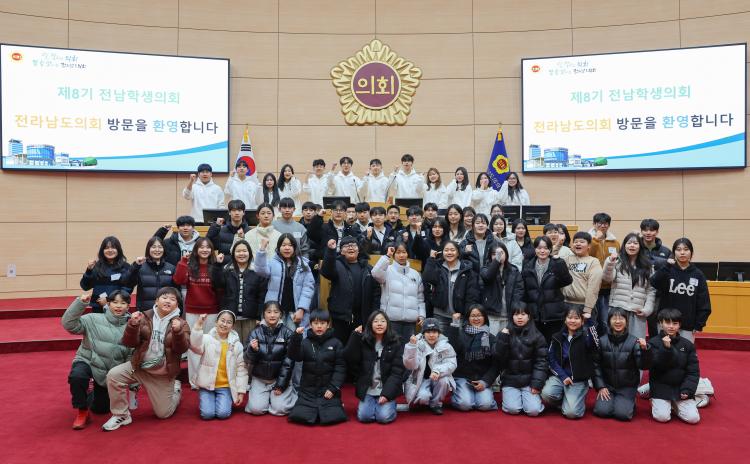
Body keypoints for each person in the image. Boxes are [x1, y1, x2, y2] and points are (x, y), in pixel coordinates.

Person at [103, 287, 190, 431]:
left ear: (177, 305)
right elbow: (130, 343)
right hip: (139, 367)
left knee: (163, 414)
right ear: (156, 301)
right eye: (164, 297)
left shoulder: (181, 324)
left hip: (162, 374)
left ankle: (176, 390)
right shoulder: (143, 317)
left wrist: (178, 332)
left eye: (172, 299)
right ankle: (121, 415)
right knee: (114, 375)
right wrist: (132, 325)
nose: (168, 301)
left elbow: (182, 349)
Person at [63, 290, 132, 429]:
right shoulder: (93, 319)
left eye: (123, 303)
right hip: (87, 359)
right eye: (115, 302)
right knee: (77, 376)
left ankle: (91, 391)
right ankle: (82, 411)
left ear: (128, 306)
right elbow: (69, 325)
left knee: (101, 409)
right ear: (108, 304)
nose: (119, 306)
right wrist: (80, 303)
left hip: (108, 371)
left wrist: (131, 382)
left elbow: (131, 354)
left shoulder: (131, 327)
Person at [173, 237, 221, 386]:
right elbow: (178, 280)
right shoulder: (189, 266)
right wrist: (183, 261)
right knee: (194, 346)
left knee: (211, 346)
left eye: (208, 247)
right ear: (196, 250)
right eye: (201, 247)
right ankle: (194, 380)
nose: (204, 250)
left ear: (211, 250)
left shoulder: (215, 267)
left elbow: (221, 289)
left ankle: (209, 379)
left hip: (212, 312)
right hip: (192, 312)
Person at [344, 311, 405, 424]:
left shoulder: (395, 342)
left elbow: (397, 372)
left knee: (383, 417)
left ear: (387, 324)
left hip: (386, 388)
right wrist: (354, 336)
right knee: (364, 417)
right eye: (375, 321)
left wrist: (387, 395)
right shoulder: (364, 341)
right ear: (370, 324)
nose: (379, 324)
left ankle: (390, 404)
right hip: (369, 389)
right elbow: (349, 358)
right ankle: (377, 406)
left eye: (382, 321)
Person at [288, 309, 347, 425]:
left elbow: (341, 367)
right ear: (310, 325)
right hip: (308, 392)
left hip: (328, 391)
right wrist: (296, 338)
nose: (319, 326)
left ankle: (337, 404)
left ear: (328, 325)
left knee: (334, 417)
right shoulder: (305, 342)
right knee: (299, 416)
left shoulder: (336, 343)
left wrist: (333, 388)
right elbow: (295, 356)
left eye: (322, 323)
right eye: (315, 323)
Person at [592, 308, 652, 421]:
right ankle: (616, 402)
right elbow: (596, 366)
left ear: (626, 322)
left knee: (622, 415)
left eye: (621, 318)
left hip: (627, 387)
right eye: (614, 318)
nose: (618, 321)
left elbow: (643, 366)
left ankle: (629, 401)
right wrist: (601, 386)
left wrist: (645, 350)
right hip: (608, 386)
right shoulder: (602, 341)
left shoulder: (634, 342)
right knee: (602, 411)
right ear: (609, 321)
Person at [320, 236, 381, 345]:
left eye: (353, 245)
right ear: (341, 251)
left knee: (360, 347)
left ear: (359, 249)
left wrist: (374, 314)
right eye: (346, 246)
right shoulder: (336, 264)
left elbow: (376, 293)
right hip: (341, 317)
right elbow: (326, 271)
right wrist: (330, 250)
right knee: (340, 347)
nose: (350, 247)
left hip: (363, 318)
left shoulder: (368, 268)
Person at [541, 307, 599, 419]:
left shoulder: (586, 337)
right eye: (570, 317)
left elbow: (596, 344)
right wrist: (563, 376)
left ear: (582, 321)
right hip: (561, 376)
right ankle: (566, 401)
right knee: (546, 394)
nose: (572, 321)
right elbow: (551, 359)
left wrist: (590, 322)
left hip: (578, 379)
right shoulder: (557, 337)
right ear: (565, 320)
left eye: (576, 318)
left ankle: (573, 402)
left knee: (572, 414)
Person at [189, 310, 248, 420]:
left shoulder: (237, 345)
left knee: (223, 414)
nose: (224, 324)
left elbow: (241, 369)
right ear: (216, 322)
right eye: (222, 320)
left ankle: (223, 399)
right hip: (207, 385)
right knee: (207, 414)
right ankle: (208, 399)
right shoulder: (206, 339)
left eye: (229, 322)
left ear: (232, 326)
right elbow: (194, 346)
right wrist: (198, 324)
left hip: (225, 386)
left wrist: (240, 392)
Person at [650, 238, 711, 342]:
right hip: (666, 323)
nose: (682, 252)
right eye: (678, 249)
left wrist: (699, 324)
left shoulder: (698, 275)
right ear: (674, 253)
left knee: (684, 351)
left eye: (686, 249)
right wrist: (667, 266)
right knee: (663, 350)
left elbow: (704, 302)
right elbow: (653, 282)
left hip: (687, 325)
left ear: (691, 253)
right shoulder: (667, 269)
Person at [245, 301, 297, 416]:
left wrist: (281, 384)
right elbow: (247, 359)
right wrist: (253, 350)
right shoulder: (255, 332)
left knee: (280, 409)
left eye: (276, 312)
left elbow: (289, 362)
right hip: (260, 379)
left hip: (279, 379)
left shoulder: (288, 333)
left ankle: (288, 393)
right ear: (263, 314)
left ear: (281, 314)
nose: (272, 315)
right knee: (256, 409)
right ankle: (266, 398)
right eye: (269, 312)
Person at [649, 308, 700, 424]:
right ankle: (650, 393)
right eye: (667, 323)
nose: (671, 326)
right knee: (662, 417)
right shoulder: (653, 343)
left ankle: (675, 404)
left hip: (680, 387)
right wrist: (666, 349)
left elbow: (693, 371)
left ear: (679, 325)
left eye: (675, 323)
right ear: (661, 323)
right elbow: (656, 366)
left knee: (693, 418)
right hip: (661, 387)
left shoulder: (688, 345)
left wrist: (687, 389)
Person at [255, 234, 316, 330]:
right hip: (275, 311)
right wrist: (262, 249)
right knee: (273, 336)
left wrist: (302, 309)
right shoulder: (273, 263)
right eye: (283, 245)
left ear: (295, 247)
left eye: (290, 245)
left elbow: (308, 289)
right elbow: (260, 270)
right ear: (279, 247)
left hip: (295, 311)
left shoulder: (303, 265)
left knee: (293, 336)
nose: (287, 248)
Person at [495, 306, 547, 416]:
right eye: (516, 314)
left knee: (533, 411)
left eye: (523, 314)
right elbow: (498, 358)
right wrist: (503, 338)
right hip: (510, 381)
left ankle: (528, 400)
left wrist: (536, 384)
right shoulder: (504, 333)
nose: (519, 317)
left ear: (529, 317)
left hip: (529, 382)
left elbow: (541, 361)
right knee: (513, 409)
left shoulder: (537, 336)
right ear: (511, 317)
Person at [603, 233, 656, 340]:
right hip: (618, 309)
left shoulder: (648, 266)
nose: (632, 245)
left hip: (637, 312)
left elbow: (651, 290)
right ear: (624, 245)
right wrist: (610, 262)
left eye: (635, 243)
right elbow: (607, 278)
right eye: (629, 243)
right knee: (615, 342)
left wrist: (647, 309)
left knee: (636, 342)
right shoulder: (617, 262)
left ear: (640, 246)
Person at [213, 240, 268, 344]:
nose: (241, 254)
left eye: (244, 251)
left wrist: (259, 316)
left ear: (249, 253)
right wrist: (217, 265)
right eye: (238, 251)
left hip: (250, 317)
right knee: (232, 346)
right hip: (231, 317)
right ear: (233, 254)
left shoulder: (257, 271)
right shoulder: (227, 270)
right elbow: (218, 285)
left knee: (249, 345)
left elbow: (261, 296)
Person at [372, 239, 426, 343]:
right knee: (391, 348)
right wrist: (387, 256)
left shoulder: (415, 274)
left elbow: (420, 298)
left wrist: (421, 314)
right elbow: (375, 273)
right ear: (394, 255)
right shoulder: (387, 270)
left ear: (407, 254)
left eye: (404, 252)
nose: (401, 255)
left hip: (410, 322)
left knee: (409, 349)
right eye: (398, 252)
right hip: (391, 320)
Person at [521, 236, 574, 343]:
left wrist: (560, 264)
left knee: (553, 344)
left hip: (553, 313)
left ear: (550, 249)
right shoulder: (527, 265)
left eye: (546, 248)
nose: (542, 251)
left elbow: (567, 281)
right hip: (534, 314)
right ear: (535, 249)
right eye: (539, 248)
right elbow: (525, 289)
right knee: (536, 344)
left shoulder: (557, 263)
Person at [446, 305, 498, 411]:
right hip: (462, 377)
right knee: (465, 404)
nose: (476, 318)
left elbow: (495, 365)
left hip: (482, 378)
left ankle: (477, 396)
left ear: (485, 317)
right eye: (473, 316)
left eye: (479, 315)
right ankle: (461, 396)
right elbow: (451, 349)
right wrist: (454, 325)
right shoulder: (460, 334)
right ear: (468, 318)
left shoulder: (491, 338)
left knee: (485, 405)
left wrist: (485, 381)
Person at [403, 318, 457, 415]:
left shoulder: (446, 345)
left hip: (438, 377)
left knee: (444, 380)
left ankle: (435, 404)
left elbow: (452, 363)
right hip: (421, 379)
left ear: (439, 333)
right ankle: (424, 400)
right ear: (423, 333)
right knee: (423, 397)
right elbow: (411, 366)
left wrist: (437, 371)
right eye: (428, 332)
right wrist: (411, 347)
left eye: (434, 332)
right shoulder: (417, 343)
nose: (431, 335)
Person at [422, 240, 479, 332]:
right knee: (440, 341)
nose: (449, 253)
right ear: (442, 252)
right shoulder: (438, 267)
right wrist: (431, 259)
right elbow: (427, 277)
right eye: (446, 250)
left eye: (452, 250)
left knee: (459, 341)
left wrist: (464, 313)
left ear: (458, 253)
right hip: (439, 315)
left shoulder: (467, 270)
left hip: (459, 316)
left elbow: (472, 296)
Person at [479, 241, 525, 334]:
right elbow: (488, 277)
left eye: (501, 253)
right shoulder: (485, 269)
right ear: (490, 256)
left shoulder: (514, 270)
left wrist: (514, 311)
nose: (498, 256)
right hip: (492, 315)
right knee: (493, 341)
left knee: (507, 341)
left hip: (509, 316)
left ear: (506, 254)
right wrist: (496, 261)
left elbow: (519, 292)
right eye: (494, 254)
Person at [80, 236, 131, 313]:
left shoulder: (126, 267)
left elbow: (127, 288)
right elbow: (85, 287)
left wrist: (109, 300)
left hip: (118, 308)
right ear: (102, 250)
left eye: (113, 247)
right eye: (106, 248)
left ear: (118, 250)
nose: (110, 250)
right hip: (98, 307)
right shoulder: (97, 266)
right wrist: (89, 270)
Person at [589, 212, 621, 334]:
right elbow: (587, 254)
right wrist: (595, 240)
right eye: (600, 223)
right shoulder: (588, 239)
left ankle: (606, 343)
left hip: (609, 287)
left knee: (606, 320)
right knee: (593, 321)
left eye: (606, 223)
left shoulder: (615, 242)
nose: (603, 226)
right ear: (594, 224)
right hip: (592, 286)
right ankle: (594, 344)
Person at [125, 236, 176, 312]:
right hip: (145, 311)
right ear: (148, 249)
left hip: (166, 311)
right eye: (153, 247)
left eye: (160, 247)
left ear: (164, 249)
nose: (157, 250)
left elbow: (176, 291)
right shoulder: (140, 266)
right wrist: (135, 266)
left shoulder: (171, 268)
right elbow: (128, 282)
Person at [640, 218, 672, 338]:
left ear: (657, 232)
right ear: (641, 231)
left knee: (655, 324)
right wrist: (662, 262)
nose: (648, 233)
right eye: (645, 230)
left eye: (652, 230)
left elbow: (670, 271)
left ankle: (655, 346)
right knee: (638, 324)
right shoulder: (636, 248)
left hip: (658, 294)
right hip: (638, 291)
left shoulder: (666, 251)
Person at [562, 231, 603, 320]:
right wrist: (558, 244)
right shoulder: (567, 259)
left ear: (589, 246)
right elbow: (552, 259)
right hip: (566, 303)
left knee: (586, 329)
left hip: (584, 306)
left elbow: (593, 287)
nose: (578, 244)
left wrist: (588, 309)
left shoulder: (593, 262)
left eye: (582, 242)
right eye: (575, 242)